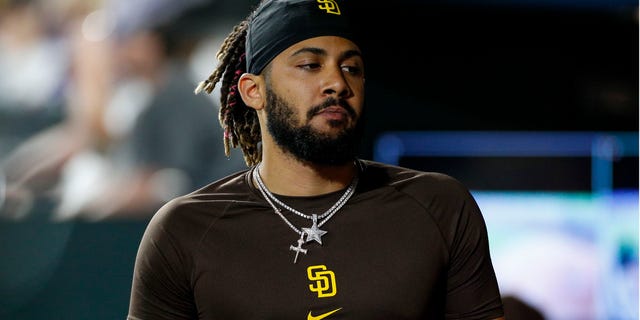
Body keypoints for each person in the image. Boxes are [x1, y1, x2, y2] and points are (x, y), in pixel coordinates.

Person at [127, 0, 505, 319]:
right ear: (253, 90)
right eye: (310, 65)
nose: (338, 83)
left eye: (351, 68)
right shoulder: (184, 230)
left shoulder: (439, 206)